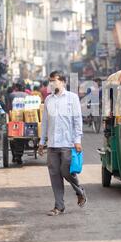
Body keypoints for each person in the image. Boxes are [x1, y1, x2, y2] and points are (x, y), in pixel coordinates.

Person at [38, 71, 87, 216]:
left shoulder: (72, 98)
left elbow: (77, 120)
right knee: (54, 175)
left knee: (66, 171)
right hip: (52, 144)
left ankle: (79, 191)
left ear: (63, 82)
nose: (52, 83)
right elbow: (45, 122)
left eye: (54, 80)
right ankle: (59, 206)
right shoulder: (48, 100)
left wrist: (77, 140)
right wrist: (42, 142)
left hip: (68, 143)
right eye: (50, 81)